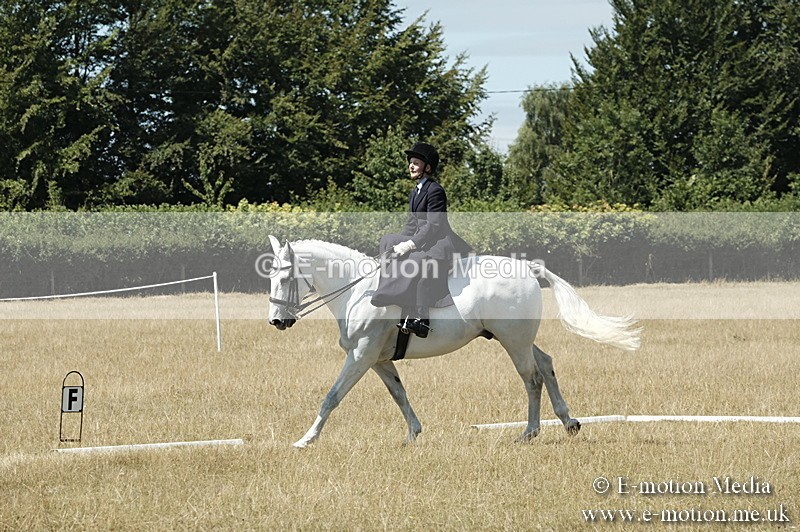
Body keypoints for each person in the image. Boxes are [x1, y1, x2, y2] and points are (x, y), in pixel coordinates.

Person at [370, 142, 472, 338]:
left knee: (417, 261)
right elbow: (411, 224)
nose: (411, 166)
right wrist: (396, 245)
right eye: (410, 162)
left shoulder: (435, 190)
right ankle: (391, 294)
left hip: (439, 242)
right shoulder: (415, 192)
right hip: (423, 240)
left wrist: (410, 244)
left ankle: (421, 319)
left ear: (427, 167)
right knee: (387, 239)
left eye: (416, 163)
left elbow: (433, 226)